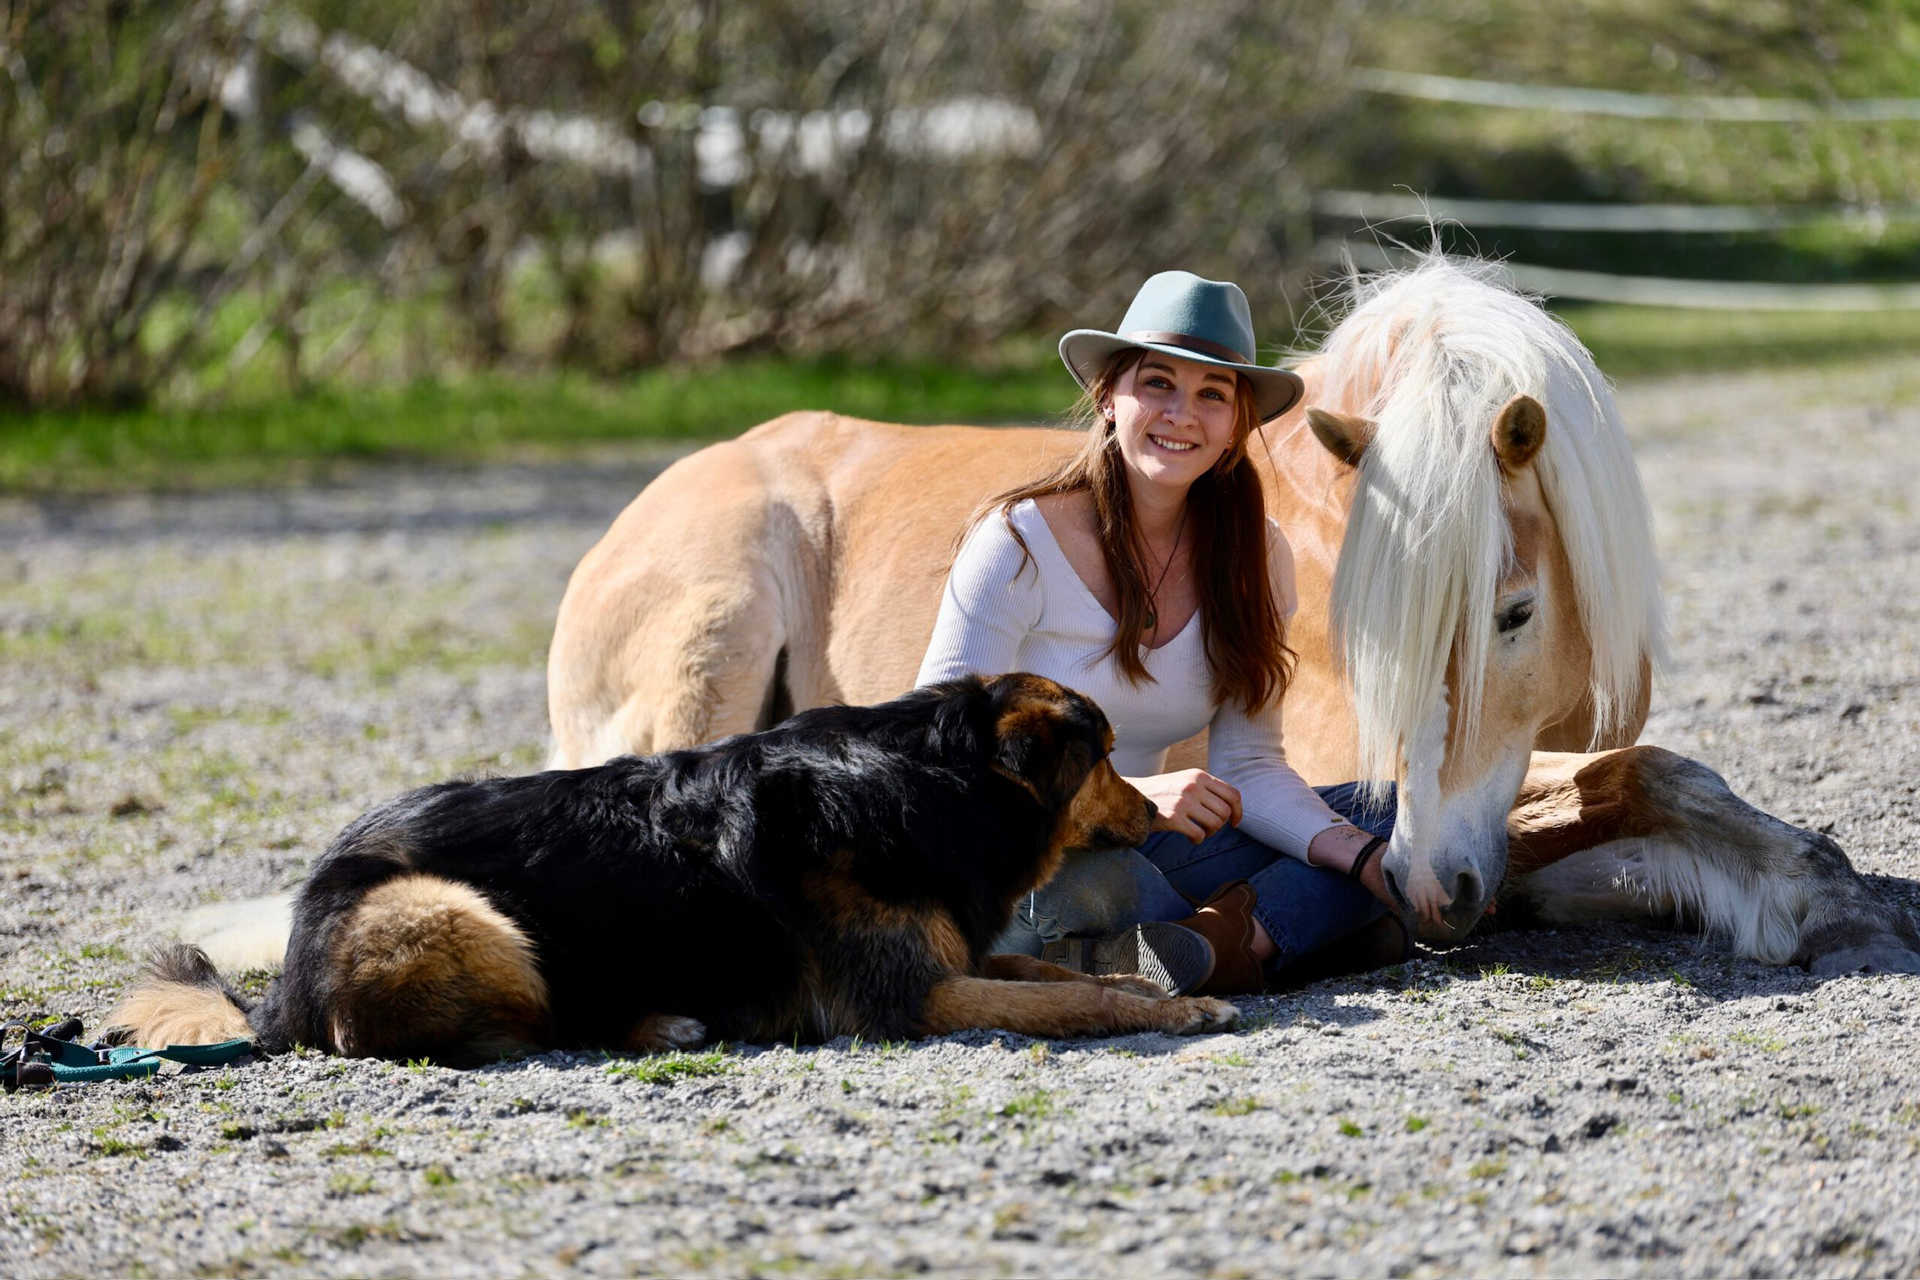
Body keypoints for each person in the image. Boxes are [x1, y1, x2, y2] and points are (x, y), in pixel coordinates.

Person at [915, 270, 1408, 995]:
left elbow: (1251, 766)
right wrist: (1135, 797)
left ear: (1238, 424)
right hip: (1023, 866)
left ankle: (1213, 945)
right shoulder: (1018, 540)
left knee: (1391, 817)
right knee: (1097, 883)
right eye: (1158, 384)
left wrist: (1364, 856)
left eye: (1213, 394)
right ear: (1107, 398)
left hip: (1148, 852)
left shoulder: (1257, 557)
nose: (1183, 413)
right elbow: (939, 759)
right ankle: (1285, 935)